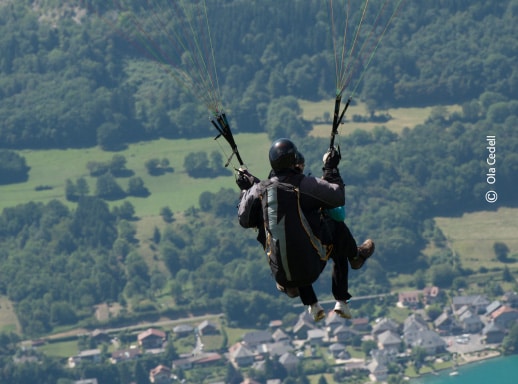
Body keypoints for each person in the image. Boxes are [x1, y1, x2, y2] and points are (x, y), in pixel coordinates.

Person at [236, 138, 374, 321]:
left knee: (276, 229)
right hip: (310, 267)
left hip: (282, 275)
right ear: (294, 161)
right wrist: (331, 169)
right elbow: (337, 197)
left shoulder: (259, 190)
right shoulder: (303, 185)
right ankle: (354, 260)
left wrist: (247, 189)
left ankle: (308, 300)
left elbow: (244, 219)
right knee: (333, 225)